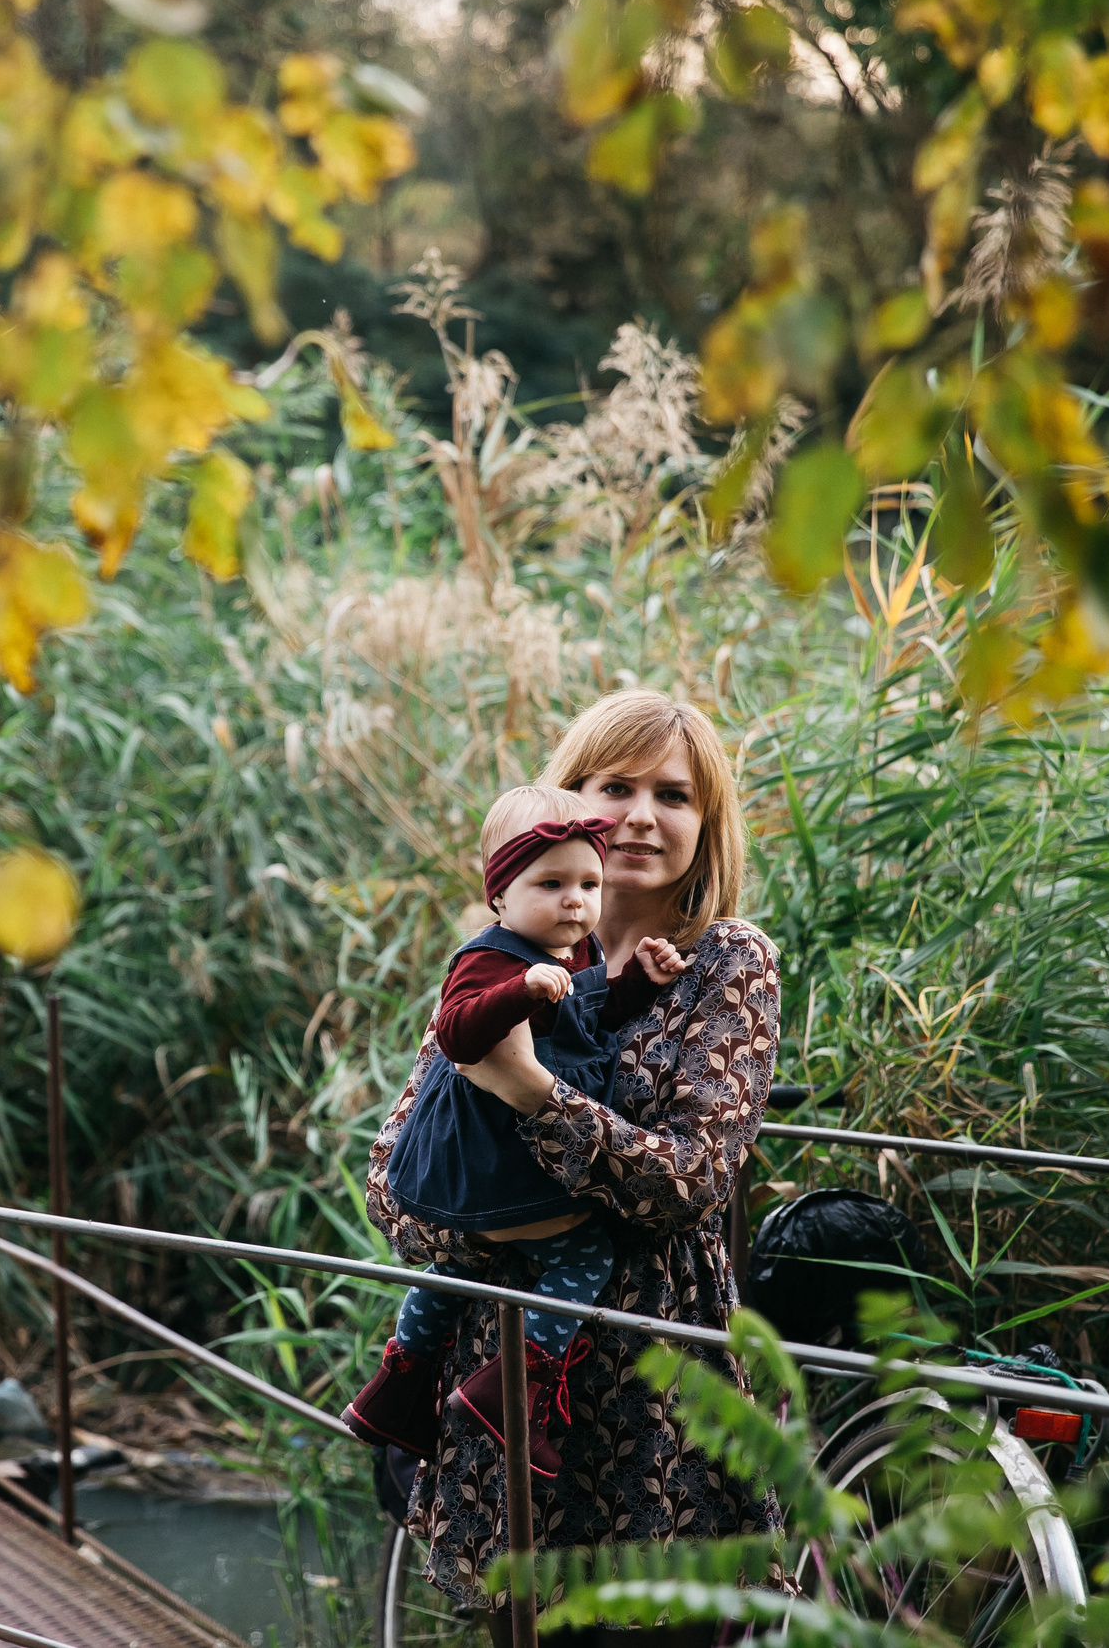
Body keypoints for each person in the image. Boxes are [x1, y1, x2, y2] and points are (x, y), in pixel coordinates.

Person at [363, 690, 789, 1627]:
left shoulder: (726, 962)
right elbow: (394, 1179)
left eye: (673, 795)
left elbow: (689, 1179)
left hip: (652, 1388)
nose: (640, 816)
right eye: (614, 788)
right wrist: (493, 1229)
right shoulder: (504, 954)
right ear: (565, 805)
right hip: (501, 1384)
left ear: (706, 822)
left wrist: (529, 1091)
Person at [343, 784, 688, 1475]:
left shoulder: (577, 953)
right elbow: (457, 1031)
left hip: (507, 1169)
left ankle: (399, 1381)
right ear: (500, 895)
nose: (575, 901)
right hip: (498, 1162)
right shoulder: (490, 958)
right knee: (583, 1254)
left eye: (589, 884)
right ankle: (511, 1388)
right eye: (551, 884)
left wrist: (638, 985)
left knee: (456, 1265)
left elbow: (589, 1025)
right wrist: (519, 992)